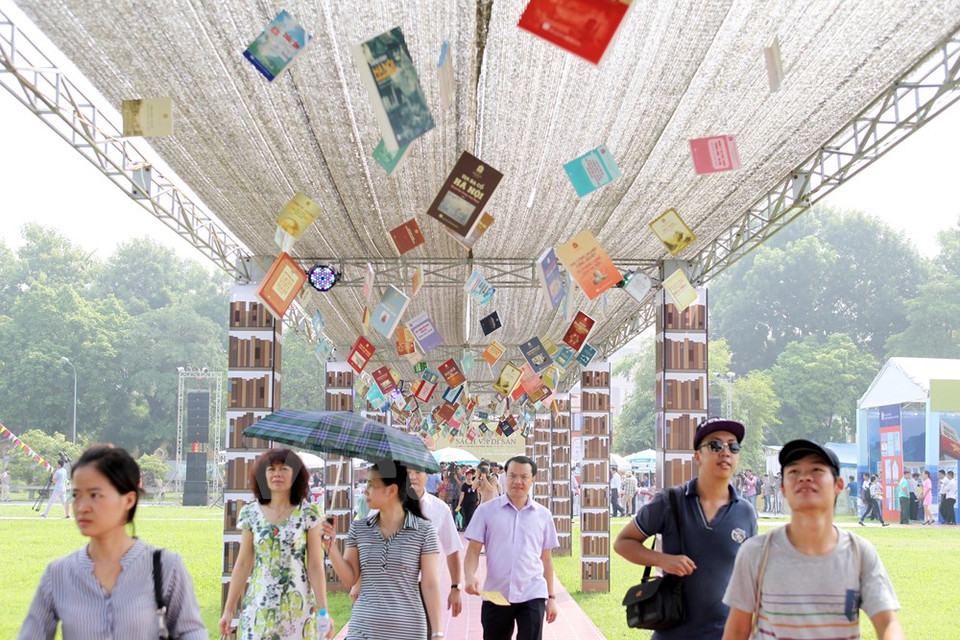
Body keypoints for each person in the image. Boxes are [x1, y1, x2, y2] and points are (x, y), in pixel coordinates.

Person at [722, 440, 903, 640]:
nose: (805, 477)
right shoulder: (756, 552)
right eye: (794, 472)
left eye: (816, 470)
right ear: (782, 488)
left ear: (838, 485)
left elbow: (887, 623)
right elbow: (738, 630)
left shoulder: (859, 553)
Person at [19, 446, 206, 639]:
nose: (81, 507)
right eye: (76, 495)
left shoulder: (165, 566)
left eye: (94, 495)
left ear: (129, 500)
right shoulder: (58, 574)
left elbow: (191, 631)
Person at [614, 418, 757, 640]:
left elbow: (750, 576)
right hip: (672, 632)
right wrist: (662, 560)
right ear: (697, 456)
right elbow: (623, 543)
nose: (725, 452)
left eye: (733, 446)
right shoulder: (669, 501)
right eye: (715, 445)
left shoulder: (746, 512)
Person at [322, 460, 443, 640]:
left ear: (391, 490)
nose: (365, 491)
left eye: (371, 485)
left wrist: (437, 633)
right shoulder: (359, 528)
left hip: (408, 630)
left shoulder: (424, 531)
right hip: (362, 629)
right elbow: (350, 578)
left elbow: (430, 585)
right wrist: (330, 548)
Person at [219, 448, 333, 639]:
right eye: (271, 469)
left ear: (296, 474)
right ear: (263, 475)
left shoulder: (308, 513)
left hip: (297, 606)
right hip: (259, 604)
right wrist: (229, 609)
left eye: (284, 469)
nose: (277, 474)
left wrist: (324, 611)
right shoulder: (251, 513)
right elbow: (243, 563)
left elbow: (314, 564)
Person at [464, 455, 559, 640]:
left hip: (532, 593)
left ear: (533, 480)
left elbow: (546, 559)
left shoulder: (543, 515)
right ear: (504, 476)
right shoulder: (486, 511)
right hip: (495, 594)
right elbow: (473, 550)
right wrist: (469, 576)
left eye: (524, 477)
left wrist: (552, 598)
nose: (518, 481)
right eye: (512, 475)